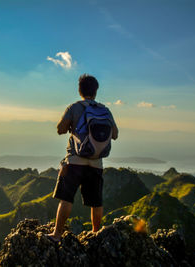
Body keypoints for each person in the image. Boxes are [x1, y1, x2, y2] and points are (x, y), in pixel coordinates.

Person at [47, 74, 118, 242]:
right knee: (96, 202)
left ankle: (57, 235)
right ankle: (95, 234)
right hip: (96, 163)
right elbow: (115, 134)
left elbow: (60, 129)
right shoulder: (105, 110)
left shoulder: (74, 107)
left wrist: (71, 126)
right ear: (96, 91)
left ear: (79, 90)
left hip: (74, 161)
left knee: (66, 198)